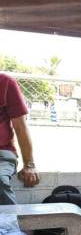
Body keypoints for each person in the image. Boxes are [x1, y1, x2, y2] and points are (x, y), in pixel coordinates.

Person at [0, 73, 39, 204]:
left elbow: (20, 126)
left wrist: (29, 165)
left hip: (2, 153)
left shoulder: (5, 82)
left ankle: (10, 218)